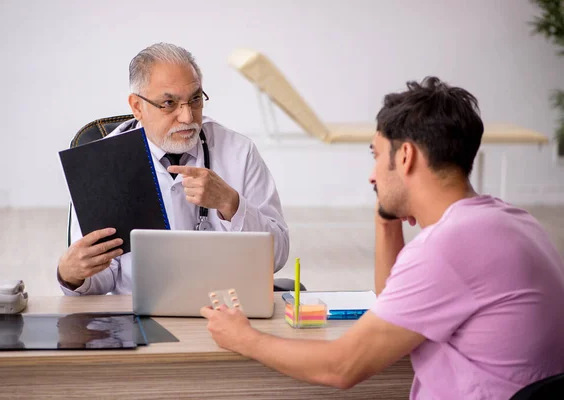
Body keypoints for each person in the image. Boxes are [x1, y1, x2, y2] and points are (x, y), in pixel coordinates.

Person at [200, 77, 564, 399]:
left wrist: (244, 339)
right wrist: (386, 221)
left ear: (405, 156)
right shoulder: (513, 221)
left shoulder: (447, 249)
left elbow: (341, 367)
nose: (372, 176)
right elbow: (396, 304)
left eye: (376, 155)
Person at [57, 43, 289, 295]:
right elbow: (102, 279)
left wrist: (231, 204)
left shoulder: (239, 151)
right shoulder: (101, 164)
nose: (188, 117)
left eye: (195, 99)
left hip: (225, 309)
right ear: (137, 106)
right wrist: (71, 276)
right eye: (169, 103)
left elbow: (276, 257)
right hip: (140, 316)